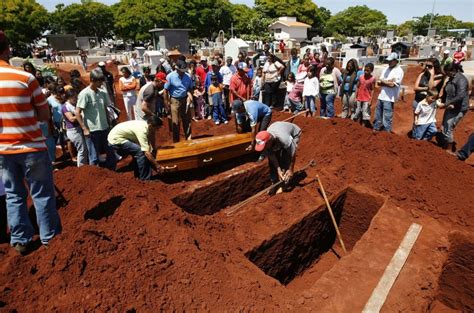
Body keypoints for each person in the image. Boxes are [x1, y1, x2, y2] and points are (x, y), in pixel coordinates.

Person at [0, 31, 61, 254]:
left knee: (14, 194)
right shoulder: (25, 78)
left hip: (3, 150)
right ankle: (49, 238)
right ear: (8, 49)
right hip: (31, 146)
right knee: (42, 194)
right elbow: (44, 115)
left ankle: (20, 239)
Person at [75, 68, 116, 169]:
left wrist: (109, 122)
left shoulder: (102, 93)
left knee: (111, 153)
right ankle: (95, 177)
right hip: (92, 130)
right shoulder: (85, 94)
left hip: (105, 127)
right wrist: (84, 128)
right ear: (92, 80)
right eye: (99, 81)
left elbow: (106, 109)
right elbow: (77, 112)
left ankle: (112, 173)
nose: (101, 83)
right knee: (94, 156)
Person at [108, 115, 164, 180]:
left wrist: (154, 149)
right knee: (140, 152)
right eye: (157, 128)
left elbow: (152, 136)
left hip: (119, 136)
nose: (157, 130)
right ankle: (146, 179)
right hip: (115, 140)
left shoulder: (147, 126)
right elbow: (146, 152)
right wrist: (157, 166)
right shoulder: (142, 131)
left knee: (137, 152)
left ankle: (138, 176)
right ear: (151, 126)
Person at [254, 122, 302, 187]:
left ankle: (286, 180)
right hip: (277, 131)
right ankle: (275, 180)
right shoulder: (266, 142)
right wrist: (278, 170)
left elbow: (292, 153)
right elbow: (272, 157)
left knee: (286, 156)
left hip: (294, 133)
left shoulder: (284, 139)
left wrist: (291, 169)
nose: (264, 148)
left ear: (269, 141)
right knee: (273, 161)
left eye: (264, 146)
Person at [438, 63, 469, 151]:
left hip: (459, 108)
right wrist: (442, 99)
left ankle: (449, 149)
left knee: (449, 127)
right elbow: (447, 91)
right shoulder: (451, 79)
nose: (446, 74)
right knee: (444, 126)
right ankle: (444, 144)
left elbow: (460, 96)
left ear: (453, 71)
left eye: (447, 72)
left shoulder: (461, 80)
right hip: (451, 106)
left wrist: (446, 104)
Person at [373, 52, 404, 132]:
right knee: (377, 116)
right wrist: (387, 82)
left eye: (390, 61)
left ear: (395, 60)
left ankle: (386, 134)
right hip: (381, 96)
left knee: (387, 119)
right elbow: (379, 82)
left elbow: (393, 85)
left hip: (390, 98)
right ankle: (376, 130)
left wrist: (384, 82)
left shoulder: (399, 71)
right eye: (388, 61)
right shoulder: (386, 69)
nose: (389, 62)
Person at [163, 60, 194, 142]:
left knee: (187, 120)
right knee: (175, 122)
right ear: (177, 68)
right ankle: (176, 141)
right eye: (181, 71)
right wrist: (167, 105)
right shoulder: (170, 77)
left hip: (185, 99)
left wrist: (190, 96)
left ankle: (189, 138)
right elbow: (165, 91)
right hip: (174, 101)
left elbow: (190, 88)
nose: (183, 72)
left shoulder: (188, 76)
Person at [62, 89, 89, 166]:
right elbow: (71, 119)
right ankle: (81, 166)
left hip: (78, 129)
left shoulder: (74, 105)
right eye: (74, 97)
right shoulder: (65, 107)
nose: (76, 99)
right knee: (82, 149)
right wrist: (80, 115)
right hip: (73, 130)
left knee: (84, 148)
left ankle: (85, 165)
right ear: (69, 98)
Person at [353, 63, 376, 127]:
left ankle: (363, 126)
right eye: (365, 70)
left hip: (367, 98)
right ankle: (355, 124)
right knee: (357, 111)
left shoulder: (372, 79)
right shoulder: (361, 77)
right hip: (359, 97)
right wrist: (355, 97)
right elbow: (357, 87)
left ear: (371, 71)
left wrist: (371, 100)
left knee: (365, 112)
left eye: (367, 71)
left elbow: (373, 89)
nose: (366, 72)